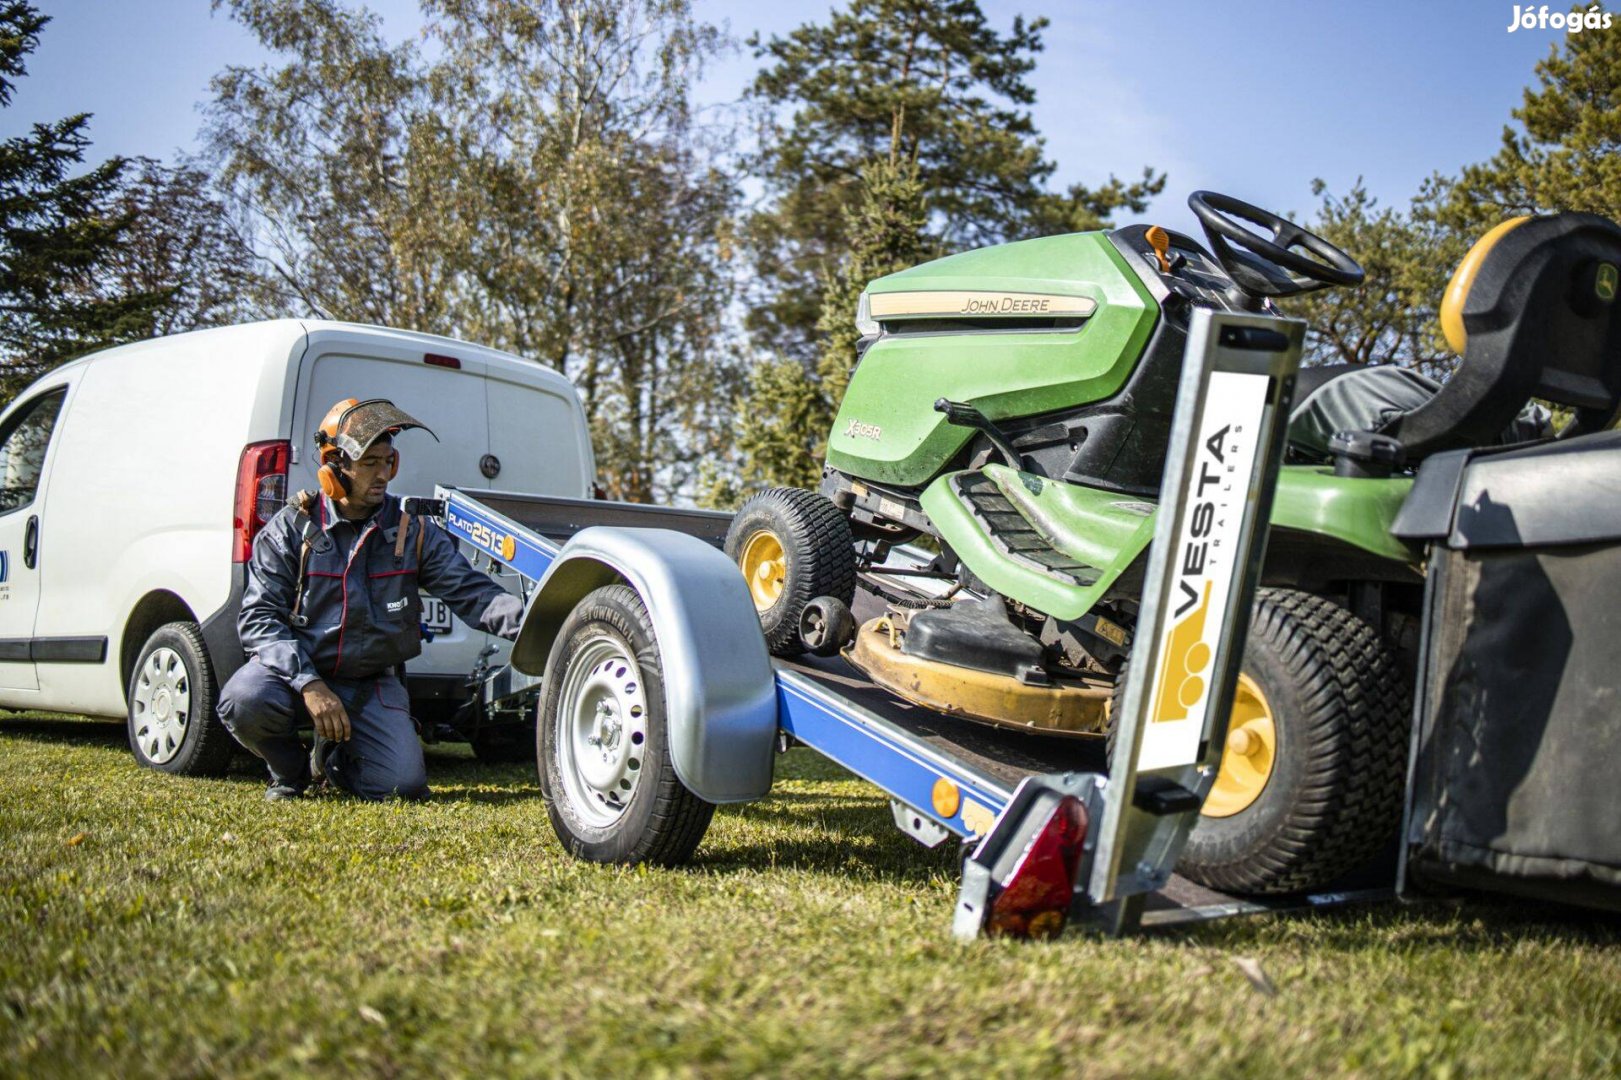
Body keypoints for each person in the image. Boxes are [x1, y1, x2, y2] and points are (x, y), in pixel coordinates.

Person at [218, 397, 523, 801]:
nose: (383, 475)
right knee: (243, 700)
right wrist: (309, 683)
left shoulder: (411, 530)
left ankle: (336, 761)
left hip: (370, 684)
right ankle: (290, 772)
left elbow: (474, 595)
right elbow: (258, 619)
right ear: (333, 467)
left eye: (388, 462)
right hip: (296, 678)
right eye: (369, 464)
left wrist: (541, 628)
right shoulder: (291, 529)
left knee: (403, 787)